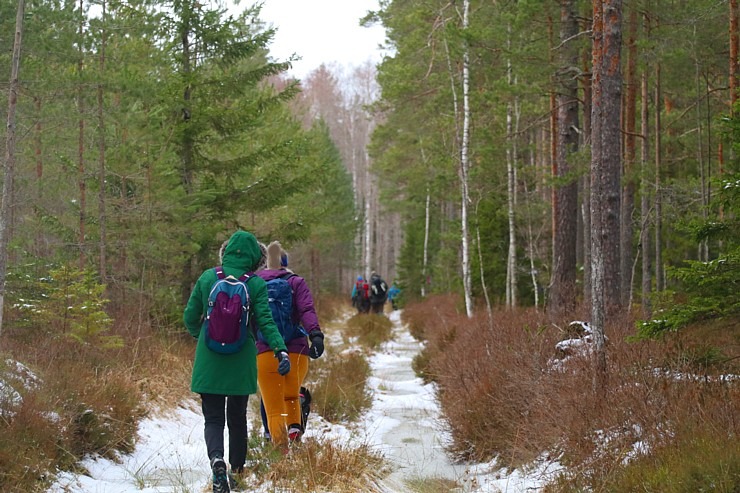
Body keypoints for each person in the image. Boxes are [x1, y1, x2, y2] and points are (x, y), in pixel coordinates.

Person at [183, 230, 290, 493]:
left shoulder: (209, 277)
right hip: (241, 357)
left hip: (210, 358)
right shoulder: (254, 284)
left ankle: (216, 459)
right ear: (256, 257)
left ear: (227, 251)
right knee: (237, 418)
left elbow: (189, 316)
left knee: (213, 418)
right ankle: (237, 473)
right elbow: (265, 321)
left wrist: (202, 336)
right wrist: (280, 350)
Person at [255, 241, 325, 450]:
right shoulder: (296, 282)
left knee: (274, 408)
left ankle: (279, 454)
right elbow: (307, 310)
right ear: (286, 263)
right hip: (297, 350)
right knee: (292, 396)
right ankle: (295, 436)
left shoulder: (255, 283)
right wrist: (316, 334)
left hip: (266, 350)